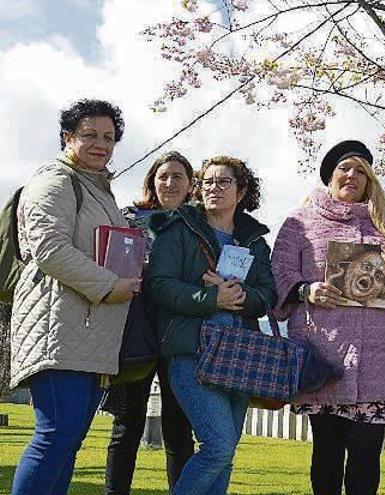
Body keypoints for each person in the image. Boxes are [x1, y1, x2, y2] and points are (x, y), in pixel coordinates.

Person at [271, 140, 385, 495]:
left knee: (366, 453)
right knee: (326, 452)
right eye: (345, 168)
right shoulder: (301, 221)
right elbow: (279, 270)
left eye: (361, 170)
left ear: (370, 179)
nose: (352, 176)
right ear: (330, 175)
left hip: (376, 358)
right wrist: (304, 290)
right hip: (323, 354)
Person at [10, 99, 141, 494]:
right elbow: (49, 248)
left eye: (109, 137)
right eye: (90, 135)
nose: (101, 144)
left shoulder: (99, 189)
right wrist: (107, 285)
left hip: (89, 333)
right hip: (58, 329)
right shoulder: (54, 180)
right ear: (67, 137)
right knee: (55, 436)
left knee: (67, 442)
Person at [146, 155, 277, 495]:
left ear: (242, 189)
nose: (213, 189)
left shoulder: (254, 239)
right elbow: (158, 285)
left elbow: (267, 295)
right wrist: (210, 299)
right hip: (193, 354)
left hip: (241, 358)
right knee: (217, 447)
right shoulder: (178, 228)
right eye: (207, 183)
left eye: (223, 182)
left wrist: (239, 297)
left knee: (226, 455)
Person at [103, 151, 195, 494]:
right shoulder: (129, 219)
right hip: (135, 334)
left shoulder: (198, 225)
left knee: (178, 430)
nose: (170, 183)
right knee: (126, 426)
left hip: (181, 338)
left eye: (178, 177)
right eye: (163, 176)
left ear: (190, 185)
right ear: (152, 181)